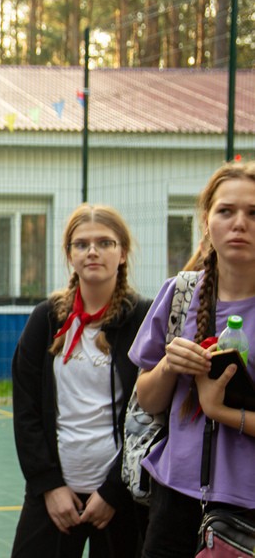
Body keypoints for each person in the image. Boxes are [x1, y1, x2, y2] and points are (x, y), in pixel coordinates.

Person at [11, 203, 152, 557]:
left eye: (105, 243)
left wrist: (114, 491)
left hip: (119, 497)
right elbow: (26, 409)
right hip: (56, 495)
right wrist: (49, 485)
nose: (93, 251)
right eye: (81, 244)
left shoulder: (143, 318)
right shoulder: (46, 319)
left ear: (122, 253)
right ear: (69, 255)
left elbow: (151, 417)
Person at [130, 161, 255, 558]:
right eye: (226, 211)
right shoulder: (180, 293)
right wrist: (169, 365)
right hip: (174, 496)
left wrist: (218, 410)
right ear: (206, 222)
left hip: (246, 505)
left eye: (254, 213)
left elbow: (215, 408)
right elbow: (147, 401)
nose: (239, 224)